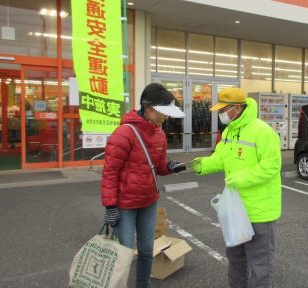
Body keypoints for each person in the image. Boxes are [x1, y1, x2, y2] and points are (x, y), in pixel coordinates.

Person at [191, 87, 282, 288]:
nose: (221, 114)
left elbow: (271, 167)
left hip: (260, 211)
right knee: (236, 258)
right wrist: (198, 165)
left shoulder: (263, 132)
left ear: (237, 108)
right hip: (236, 209)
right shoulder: (229, 131)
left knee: (260, 264)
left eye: (224, 109)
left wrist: (239, 178)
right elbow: (220, 159)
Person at [101, 83, 186, 288]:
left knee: (147, 249)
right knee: (125, 252)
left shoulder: (159, 134)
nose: (165, 118)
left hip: (148, 200)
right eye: (162, 113)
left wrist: (170, 167)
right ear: (147, 108)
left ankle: (143, 285)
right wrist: (110, 206)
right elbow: (110, 171)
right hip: (125, 204)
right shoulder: (124, 133)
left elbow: (157, 166)